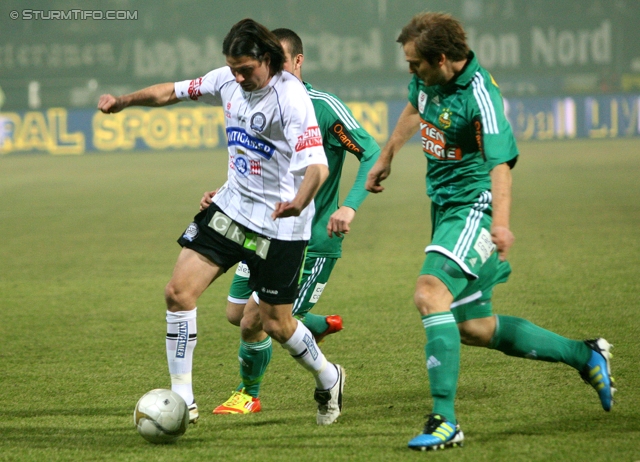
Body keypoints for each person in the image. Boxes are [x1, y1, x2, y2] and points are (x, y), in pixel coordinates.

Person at [366, 12, 615, 451]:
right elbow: (414, 106)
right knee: (474, 326)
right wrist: (387, 154)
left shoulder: (481, 96)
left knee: (430, 294)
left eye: (415, 64)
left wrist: (499, 224)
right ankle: (585, 354)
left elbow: (500, 165)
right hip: (444, 207)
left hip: (474, 207)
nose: (411, 72)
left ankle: (445, 420)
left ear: (442, 59)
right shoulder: (430, 82)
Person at [97, 18, 345, 426]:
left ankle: (328, 376)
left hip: (281, 226)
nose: (238, 77)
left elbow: (316, 165)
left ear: (268, 60)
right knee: (178, 293)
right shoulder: (228, 80)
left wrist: (300, 203)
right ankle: (183, 401)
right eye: (233, 69)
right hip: (231, 210)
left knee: (276, 324)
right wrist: (124, 101)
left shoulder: (291, 98)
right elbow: (171, 92)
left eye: (246, 69)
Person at [199, 28, 380, 415]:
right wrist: (224, 193)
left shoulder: (322, 106)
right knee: (236, 314)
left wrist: (347, 207)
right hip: (258, 231)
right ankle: (314, 324)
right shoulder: (258, 100)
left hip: (308, 240)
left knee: (254, 320)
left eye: (280, 61)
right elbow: (255, 163)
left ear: (298, 61)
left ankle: (249, 394)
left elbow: (372, 153)